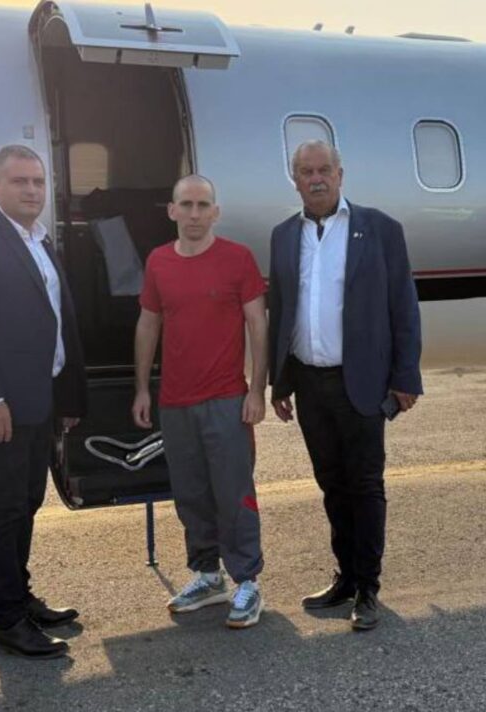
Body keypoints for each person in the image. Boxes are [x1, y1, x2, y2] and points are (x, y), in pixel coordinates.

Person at [267, 140, 422, 631]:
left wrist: (405, 376)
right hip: (308, 383)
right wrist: (279, 382)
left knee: (365, 485)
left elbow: (404, 307)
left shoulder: (380, 229)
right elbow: (280, 312)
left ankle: (368, 588)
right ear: (295, 179)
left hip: (361, 382)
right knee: (331, 484)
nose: (316, 179)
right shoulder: (283, 235)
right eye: (306, 171)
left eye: (324, 170)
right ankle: (346, 577)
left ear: (340, 174)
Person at [0, 144, 88, 658]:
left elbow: (58, 321)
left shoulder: (40, 241)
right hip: (1, 406)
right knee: (2, 509)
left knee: (27, 502)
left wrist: (66, 396)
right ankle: (7, 620)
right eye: (19, 181)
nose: (31, 190)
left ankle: (21, 598)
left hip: (39, 400)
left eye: (38, 182)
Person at [132, 174, 269, 629]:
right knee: (190, 494)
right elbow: (148, 324)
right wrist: (142, 388)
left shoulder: (237, 259)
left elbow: (258, 325)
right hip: (175, 402)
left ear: (216, 212)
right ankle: (208, 575)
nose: (194, 214)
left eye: (203, 205)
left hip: (226, 399)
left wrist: (256, 390)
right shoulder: (158, 262)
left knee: (233, 492)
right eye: (186, 205)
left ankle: (247, 579)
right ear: (172, 210)